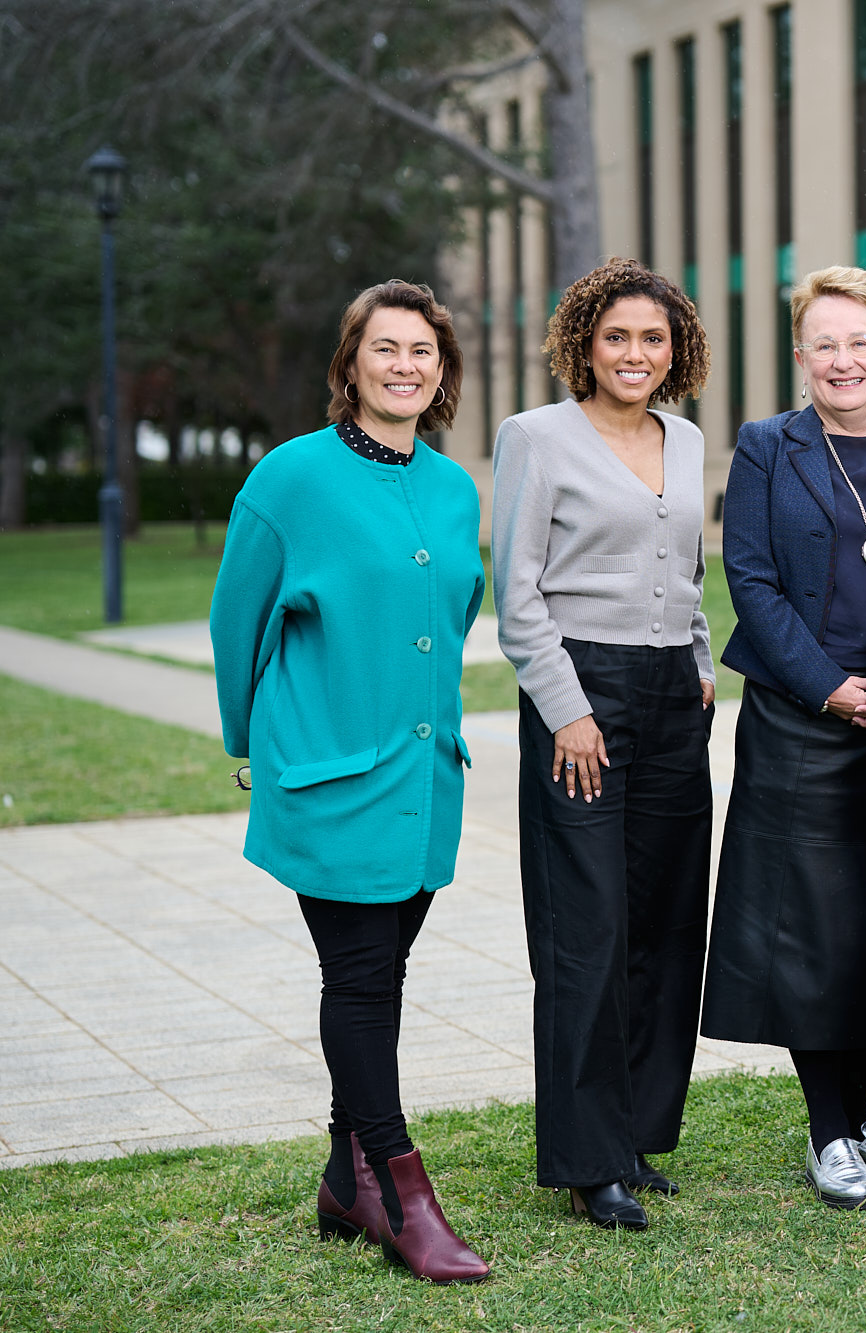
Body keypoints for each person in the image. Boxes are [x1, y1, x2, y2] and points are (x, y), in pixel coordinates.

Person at [210, 279, 489, 1284]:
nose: (405, 365)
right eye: (386, 349)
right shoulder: (291, 479)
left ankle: (343, 1179)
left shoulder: (455, 487)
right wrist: (254, 741)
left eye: (423, 351)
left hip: (423, 775)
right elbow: (237, 620)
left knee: (383, 977)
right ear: (351, 364)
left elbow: (455, 613)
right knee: (361, 979)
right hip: (329, 775)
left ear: (442, 372)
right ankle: (403, 1193)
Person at [701, 266, 866, 1211]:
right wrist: (830, 687)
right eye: (826, 344)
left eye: (862, 342)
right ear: (802, 356)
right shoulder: (768, 446)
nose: (844, 360)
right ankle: (827, 1129)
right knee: (815, 931)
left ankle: (863, 1116)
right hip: (803, 722)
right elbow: (752, 579)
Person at [492, 258, 717, 1231]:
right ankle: (588, 1162)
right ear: (584, 342)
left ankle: (633, 1135)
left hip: (674, 695)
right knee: (586, 930)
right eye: (617, 335)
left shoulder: (689, 437)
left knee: (666, 923)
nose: (635, 353)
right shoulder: (536, 437)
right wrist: (566, 707)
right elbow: (517, 592)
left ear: (677, 351)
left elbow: (689, 571)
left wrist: (702, 663)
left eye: (652, 338)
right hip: (578, 694)